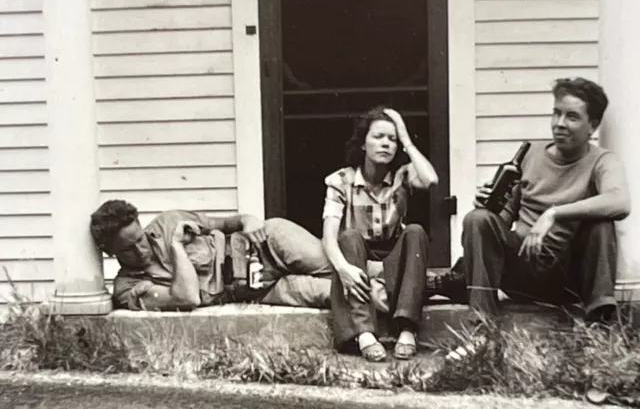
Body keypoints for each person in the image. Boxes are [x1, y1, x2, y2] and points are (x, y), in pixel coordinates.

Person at [461, 77, 630, 336]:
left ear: (592, 126)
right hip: (521, 272)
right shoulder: (530, 154)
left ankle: (600, 325)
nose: (560, 124)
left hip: (567, 278)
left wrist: (553, 213)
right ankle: (481, 330)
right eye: (556, 113)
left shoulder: (602, 161)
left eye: (572, 117)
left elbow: (620, 201)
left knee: (602, 224)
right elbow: (502, 221)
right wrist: (488, 207)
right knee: (477, 219)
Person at [321, 106, 439, 362]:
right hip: (357, 257)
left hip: (392, 259)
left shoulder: (402, 177)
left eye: (392, 139)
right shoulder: (341, 180)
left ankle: (407, 329)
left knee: (415, 231)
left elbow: (430, 180)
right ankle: (364, 333)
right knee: (348, 236)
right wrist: (343, 269)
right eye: (378, 137)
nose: (386, 144)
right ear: (363, 143)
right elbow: (329, 237)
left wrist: (406, 139)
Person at [90, 201, 332, 311]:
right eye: (128, 249)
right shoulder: (127, 288)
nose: (140, 249)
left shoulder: (168, 220)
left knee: (343, 268)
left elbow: (228, 223)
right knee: (337, 293)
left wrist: (249, 221)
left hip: (266, 243)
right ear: (110, 252)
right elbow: (187, 298)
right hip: (261, 290)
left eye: (140, 238)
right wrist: (176, 246)